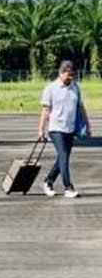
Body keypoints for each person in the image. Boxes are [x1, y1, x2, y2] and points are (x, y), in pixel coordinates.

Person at [39, 60, 90, 198]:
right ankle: (68, 187)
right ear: (61, 73)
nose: (71, 78)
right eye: (69, 75)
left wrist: (87, 125)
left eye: (73, 75)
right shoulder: (51, 88)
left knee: (63, 157)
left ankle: (48, 181)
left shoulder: (76, 88)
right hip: (56, 128)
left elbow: (81, 107)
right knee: (63, 155)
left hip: (70, 128)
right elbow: (46, 110)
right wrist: (41, 129)